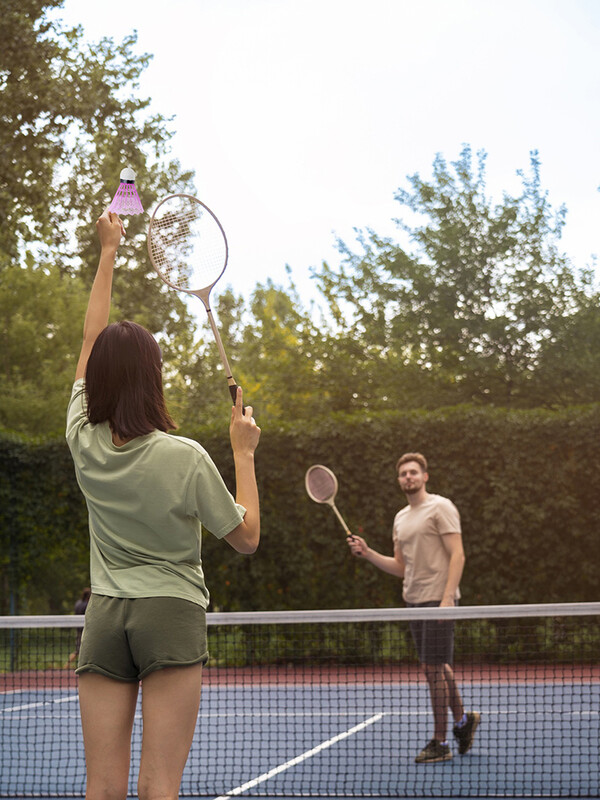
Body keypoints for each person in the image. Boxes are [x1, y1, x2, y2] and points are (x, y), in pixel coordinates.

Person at [65, 208, 261, 800]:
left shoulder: (81, 437)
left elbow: (90, 339)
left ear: (99, 378)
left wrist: (108, 251)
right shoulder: (186, 457)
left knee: (102, 786)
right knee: (160, 785)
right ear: (154, 376)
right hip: (170, 612)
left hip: (104, 618)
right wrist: (244, 452)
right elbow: (246, 538)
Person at [347, 452, 480, 764]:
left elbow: (458, 554)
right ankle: (464, 721)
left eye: (413, 472)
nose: (408, 477)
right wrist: (368, 553)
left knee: (433, 668)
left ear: (425, 476)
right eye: (403, 473)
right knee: (436, 665)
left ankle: (440, 741)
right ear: (399, 480)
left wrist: (448, 598)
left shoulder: (441, 507)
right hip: (414, 600)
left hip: (438, 599)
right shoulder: (401, 518)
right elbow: (401, 567)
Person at [65, 587, 91, 668]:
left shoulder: (78, 603)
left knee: (81, 650)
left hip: (78, 629)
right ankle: (67, 665)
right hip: (84, 630)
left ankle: (69, 664)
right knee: (79, 650)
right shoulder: (87, 605)